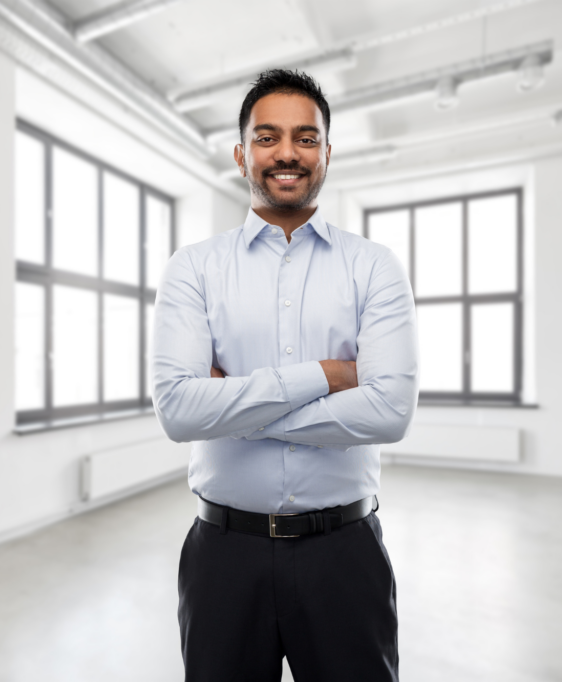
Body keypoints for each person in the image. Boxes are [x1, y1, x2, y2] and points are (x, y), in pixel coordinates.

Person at [152, 68, 418, 682]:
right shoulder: (194, 269)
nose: (287, 153)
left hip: (345, 553)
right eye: (268, 137)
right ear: (242, 152)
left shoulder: (373, 267)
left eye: (305, 137)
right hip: (223, 556)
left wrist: (232, 405)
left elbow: (390, 412)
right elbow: (179, 412)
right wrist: (327, 374)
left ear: (326, 152)